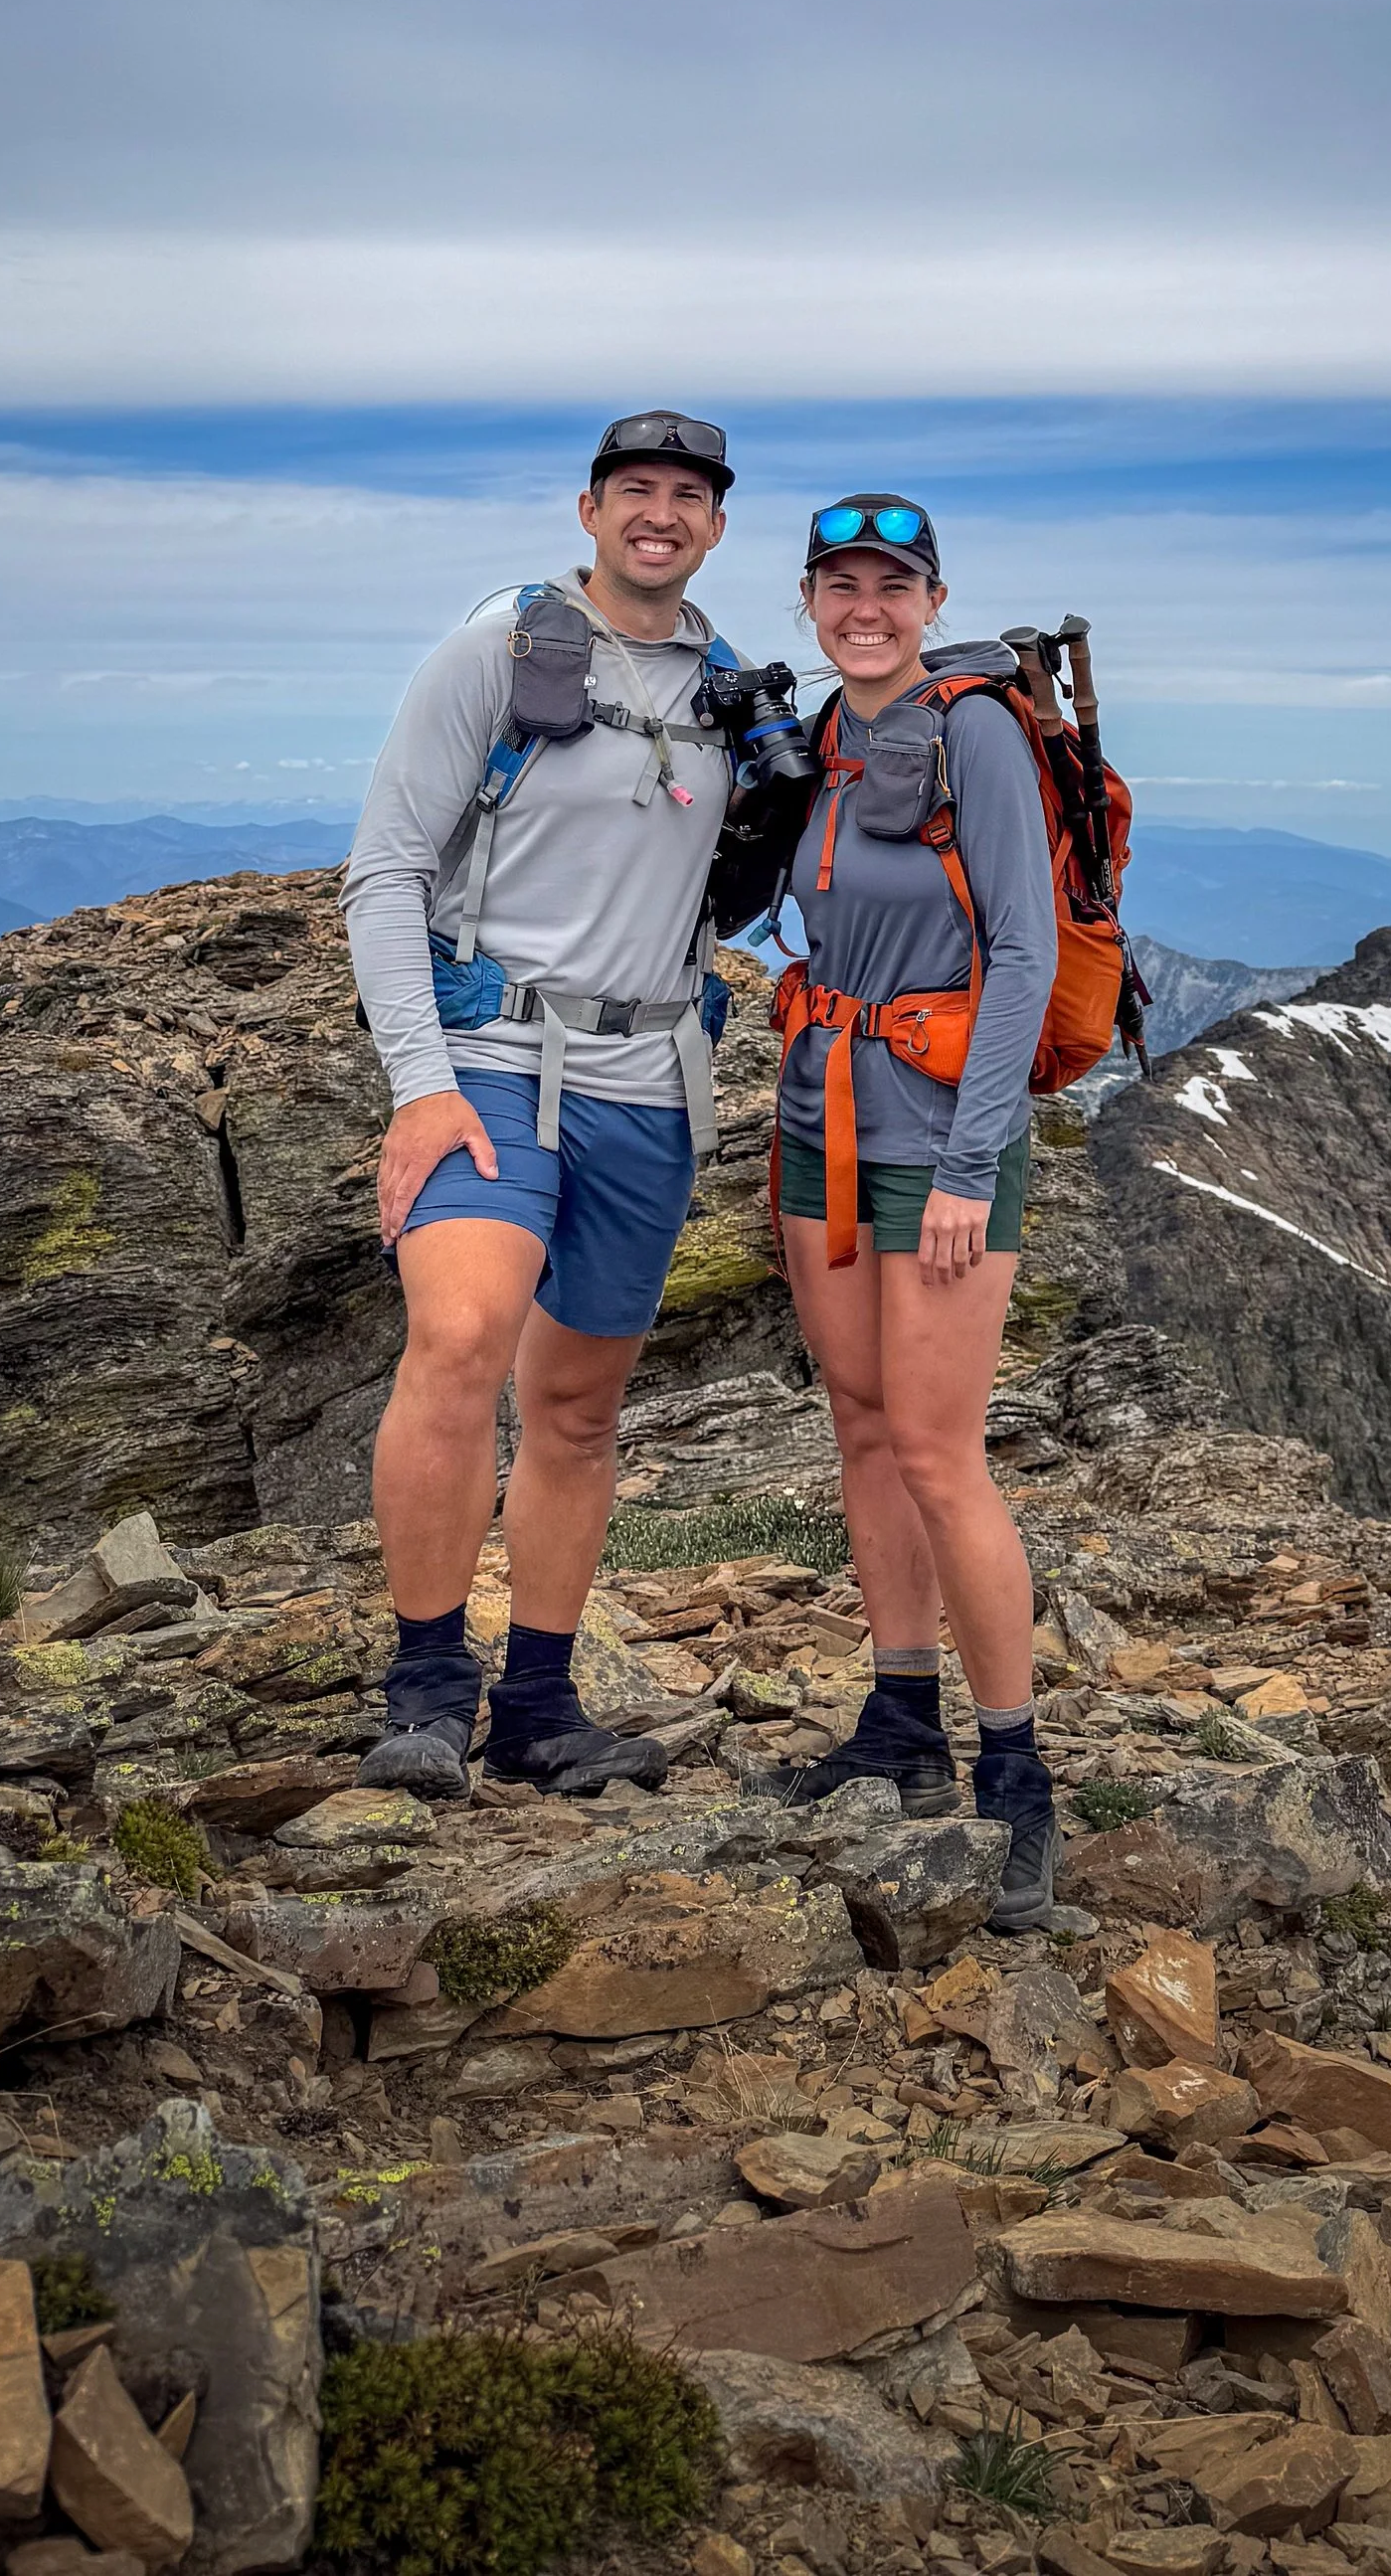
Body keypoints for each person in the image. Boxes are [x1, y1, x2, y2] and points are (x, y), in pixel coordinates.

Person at [339, 410, 743, 1798]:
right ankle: (427, 1689)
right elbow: (385, 870)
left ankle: (541, 1703)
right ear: (589, 509)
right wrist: (417, 1087)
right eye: (637, 489)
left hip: (650, 1084)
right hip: (492, 1063)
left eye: (687, 496)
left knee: (575, 1411)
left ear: (715, 527)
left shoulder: (736, 694)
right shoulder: (497, 655)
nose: (660, 513)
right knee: (458, 1338)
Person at [765, 494, 1068, 1930]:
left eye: (892, 584)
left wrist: (966, 1165)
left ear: (932, 600)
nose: (865, 605)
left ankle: (1017, 1778)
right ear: (812, 600)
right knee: (863, 1421)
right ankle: (899, 1719)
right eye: (841, 583)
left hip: (939, 1138)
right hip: (819, 1119)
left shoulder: (979, 732)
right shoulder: (826, 740)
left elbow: (1025, 951)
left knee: (942, 1453)